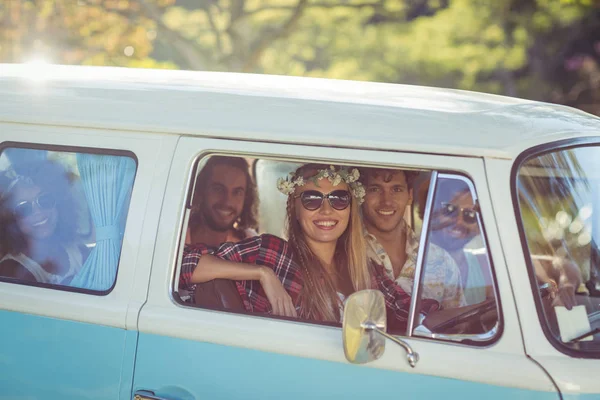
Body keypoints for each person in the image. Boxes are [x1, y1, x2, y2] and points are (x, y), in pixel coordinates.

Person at [180, 164, 438, 328]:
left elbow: (414, 312)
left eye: (338, 198)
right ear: (295, 208)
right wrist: (262, 274)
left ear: (350, 208)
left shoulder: (363, 269)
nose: (327, 210)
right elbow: (181, 263)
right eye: (312, 199)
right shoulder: (272, 253)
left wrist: (475, 315)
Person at [360, 168, 466, 310]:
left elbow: (455, 326)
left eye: (396, 189)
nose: (387, 201)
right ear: (360, 195)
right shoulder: (346, 254)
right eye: (375, 189)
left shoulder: (441, 261)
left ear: (409, 196)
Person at [0, 160, 89, 285]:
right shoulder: (10, 269)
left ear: (59, 203)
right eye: (24, 208)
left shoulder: (76, 249)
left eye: (44, 200)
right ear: (12, 218)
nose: (38, 212)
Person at [186, 156, 258, 247]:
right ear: (201, 190)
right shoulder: (177, 236)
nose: (227, 202)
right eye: (218, 189)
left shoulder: (249, 244)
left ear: (246, 198)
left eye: (237, 192)